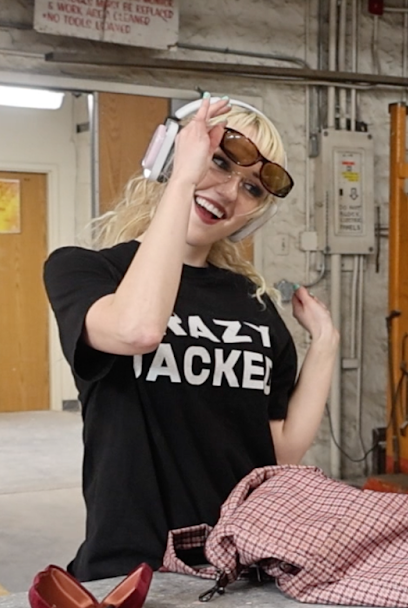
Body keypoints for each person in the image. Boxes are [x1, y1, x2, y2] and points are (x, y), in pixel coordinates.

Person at [44, 95, 337, 581]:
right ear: (171, 156)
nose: (229, 191)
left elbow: (280, 451)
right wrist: (182, 180)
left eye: (251, 188)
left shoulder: (254, 306)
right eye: (218, 162)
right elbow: (137, 329)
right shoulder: (86, 271)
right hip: (131, 569)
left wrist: (324, 343)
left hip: (235, 566)